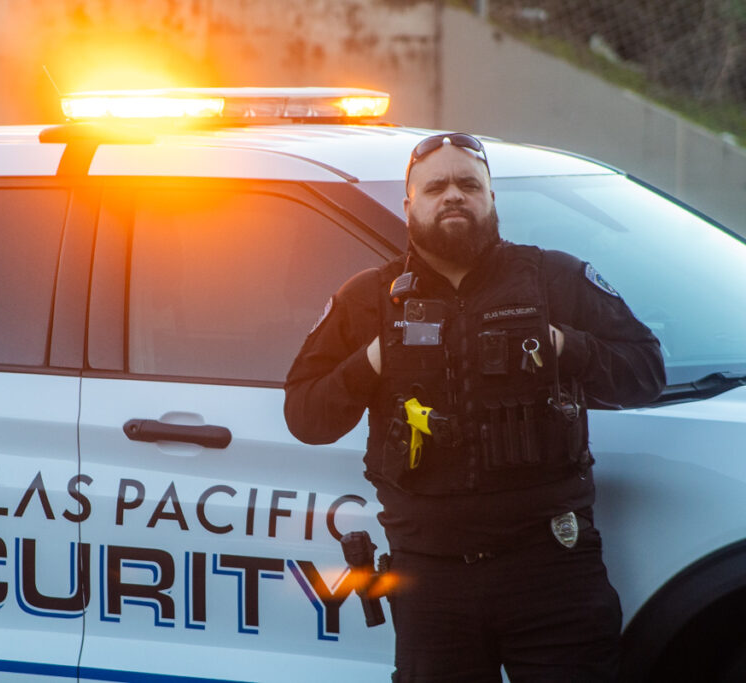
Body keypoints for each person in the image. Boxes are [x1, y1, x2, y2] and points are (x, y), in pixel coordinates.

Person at [284, 133, 666, 682]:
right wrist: (372, 359)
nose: (454, 196)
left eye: (469, 184)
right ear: (409, 205)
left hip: (553, 570)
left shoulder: (554, 279)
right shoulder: (369, 298)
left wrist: (563, 344)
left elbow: (646, 373)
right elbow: (305, 415)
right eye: (435, 186)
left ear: (492, 199)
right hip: (431, 584)